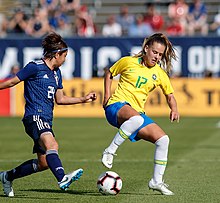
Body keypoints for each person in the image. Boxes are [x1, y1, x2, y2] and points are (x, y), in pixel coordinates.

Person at [0, 32, 97, 197]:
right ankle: (62, 178)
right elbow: (12, 81)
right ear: (57, 54)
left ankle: (7, 176)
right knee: (53, 145)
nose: (65, 60)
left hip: (46, 119)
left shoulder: (57, 73)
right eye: (64, 56)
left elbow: (60, 99)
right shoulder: (34, 66)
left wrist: (83, 98)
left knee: (44, 163)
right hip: (34, 115)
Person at [101, 33, 179, 196]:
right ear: (146, 48)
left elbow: (170, 95)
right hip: (116, 106)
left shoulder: (159, 73)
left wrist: (174, 109)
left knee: (163, 140)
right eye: (155, 52)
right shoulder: (128, 61)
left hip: (135, 114)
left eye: (160, 54)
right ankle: (110, 151)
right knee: (136, 119)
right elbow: (109, 73)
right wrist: (106, 96)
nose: (157, 57)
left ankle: (156, 181)